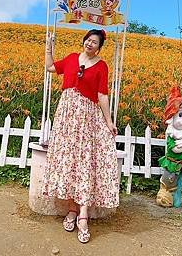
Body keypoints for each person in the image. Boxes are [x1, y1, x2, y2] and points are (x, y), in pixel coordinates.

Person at [42, 28, 119, 244]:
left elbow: (102, 95)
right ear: (84, 41)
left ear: (99, 47)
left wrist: (109, 121)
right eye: (88, 40)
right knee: (69, 163)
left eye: (95, 42)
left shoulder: (102, 66)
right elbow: (50, 67)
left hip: (87, 119)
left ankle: (83, 216)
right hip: (67, 117)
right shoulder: (71, 59)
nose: (90, 44)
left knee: (85, 163)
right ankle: (72, 210)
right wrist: (49, 48)